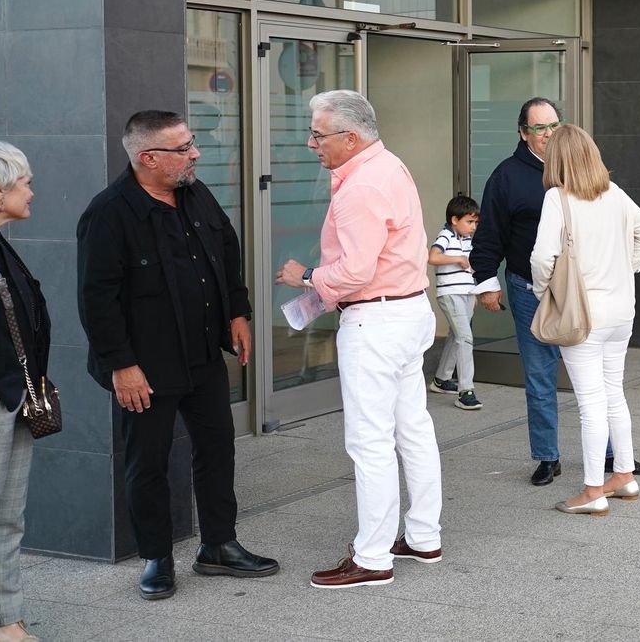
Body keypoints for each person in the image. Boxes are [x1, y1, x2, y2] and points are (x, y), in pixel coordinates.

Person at [77, 112, 278, 600]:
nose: (195, 154)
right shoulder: (109, 214)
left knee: (217, 447)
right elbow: (95, 299)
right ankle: (157, 558)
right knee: (148, 461)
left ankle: (218, 546)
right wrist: (121, 365)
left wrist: (238, 313)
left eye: (191, 144)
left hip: (204, 354)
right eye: (184, 147)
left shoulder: (195, 194)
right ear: (148, 158)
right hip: (145, 367)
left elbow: (225, 252)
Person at [274, 91, 442, 590]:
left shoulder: (359, 187)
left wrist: (306, 275)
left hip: (376, 322)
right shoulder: (389, 165)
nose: (311, 143)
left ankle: (373, 557)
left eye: (319, 135)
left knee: (370, 442)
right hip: (408, 310)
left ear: (351, 137)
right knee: (413, 429)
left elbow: (356, 271)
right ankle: (423, 536)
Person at [471, 98, 640, 485]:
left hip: (583, 294)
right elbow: (490, 236)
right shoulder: (507, 177)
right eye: (540, 128)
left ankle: (611, 457)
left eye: (555, 125)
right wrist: (488, 282)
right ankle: (548, 457)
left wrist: (625, 266)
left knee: (598, 383)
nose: (550, 133)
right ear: (523, 133)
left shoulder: (583, 177)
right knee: (540, 375)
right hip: (529, 289)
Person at [530, 127, 640, 515]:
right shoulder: (615, 194)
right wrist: (628, 266)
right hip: (622, 311)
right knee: (613, 393)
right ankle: (623, 475)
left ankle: (591, 490)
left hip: (583, 315)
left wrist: (544, 294)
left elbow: (541, 258)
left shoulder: (557, 198)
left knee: (590, 404)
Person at [0, 142, 46, 641]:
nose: (32, 191)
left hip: (14, 397)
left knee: (7, 518)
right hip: (2, 396)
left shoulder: (2, 243)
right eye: (25, 182)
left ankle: (6, 621)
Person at [429, 194, 483, 410]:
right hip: (450, 294)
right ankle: (466, 391)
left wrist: (476, 292)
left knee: (457, 336)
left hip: (467, 294)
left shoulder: (468, 240)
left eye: (475, 223)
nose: (473, 227)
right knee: (465, 338)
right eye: (469, 222)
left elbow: (472, 268)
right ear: (454, 220)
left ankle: (441, 379)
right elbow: (432, 257)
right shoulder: (445, 236)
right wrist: (458, 259)